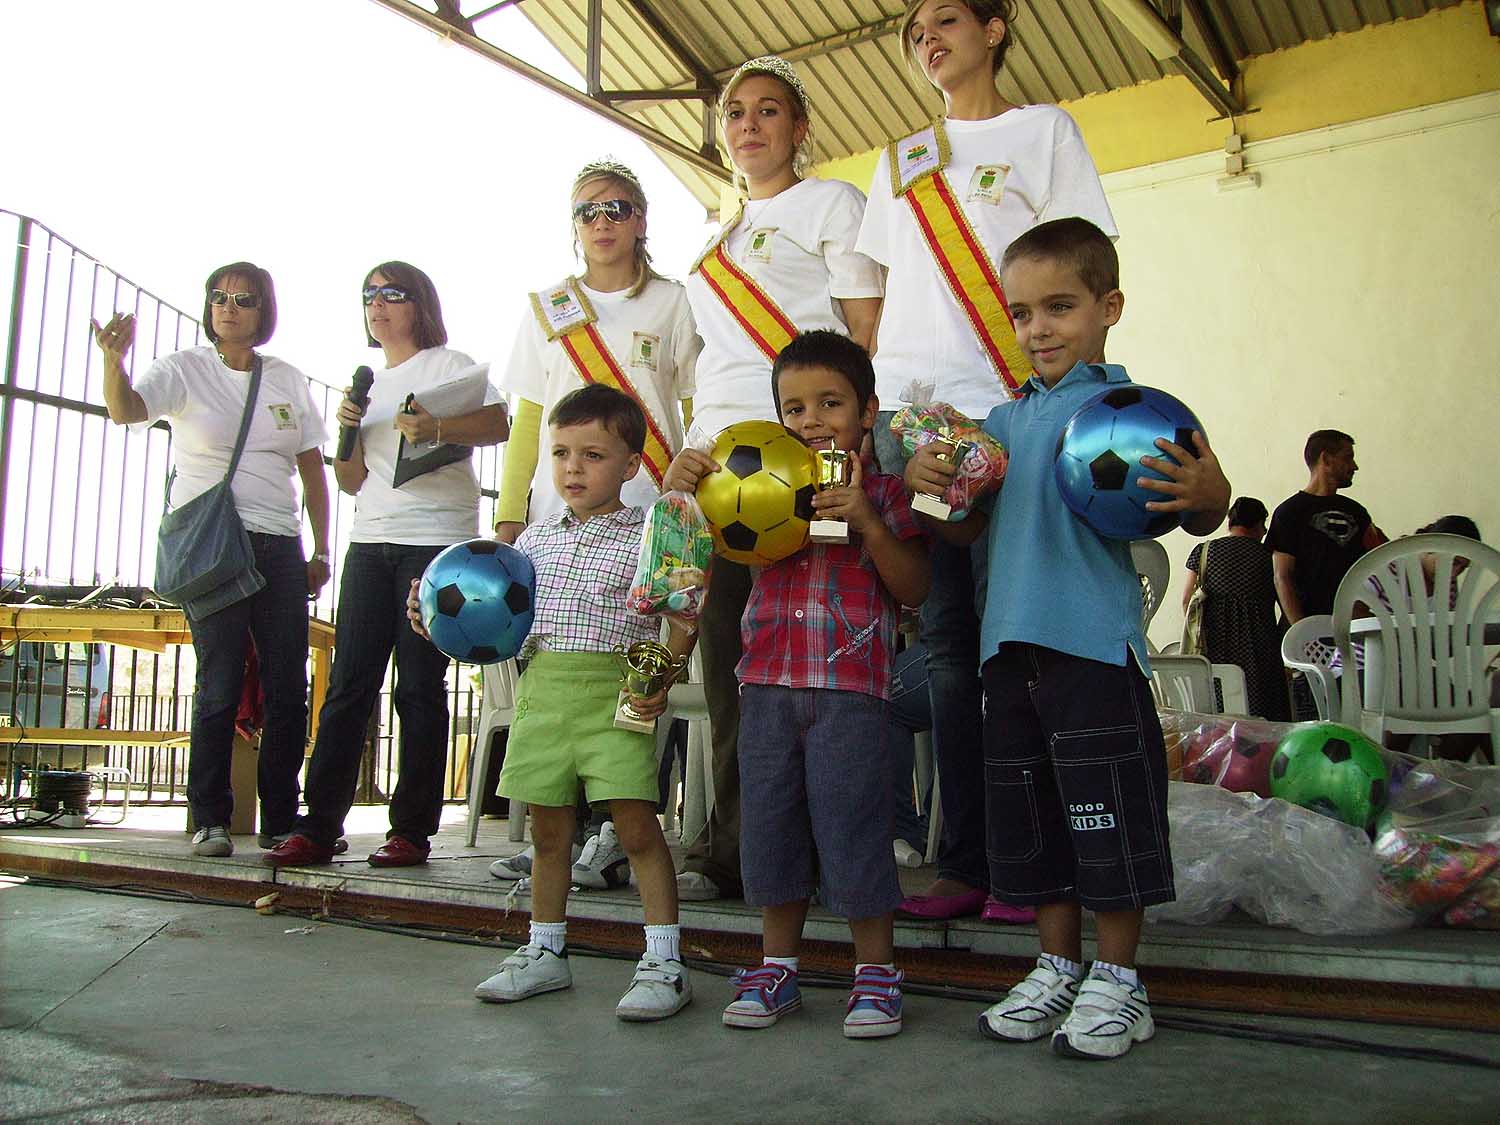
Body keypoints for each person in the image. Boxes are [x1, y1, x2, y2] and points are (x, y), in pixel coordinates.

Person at [906, 218, 1229, 1059]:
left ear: (1107, 307)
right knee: (1034, 820)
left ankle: (1121, 983)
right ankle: (1055, 966)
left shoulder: (1133, 412)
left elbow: (1201, 503)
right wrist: (932, 485)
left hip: (1091, 648)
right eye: (1021, 313)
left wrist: (1211, 487)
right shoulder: (998, 426)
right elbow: (960, 532)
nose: (1038, 328)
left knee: (1109, 816)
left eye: (1060, 306)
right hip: (1006, 651)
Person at [856, 0, 1117, 922]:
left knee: (1023, 645)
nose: (929, 38)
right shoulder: (899, 162)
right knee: (949, 647)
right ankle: (966, 859)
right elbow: (875, 296)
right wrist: (876, 420)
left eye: (947, 18)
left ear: (997, 28)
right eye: (915, 31)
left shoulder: (1043, 131)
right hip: (913, 424)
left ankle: (1034, 865)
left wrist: (1069, 404)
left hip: (1010, 411)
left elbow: (1081, 262)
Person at [663, 330, 929, 1039]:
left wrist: (869, 521)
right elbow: (681, 556)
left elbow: (917, 588)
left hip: (854, 693)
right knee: (771, 827)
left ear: (868, 411)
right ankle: (776, 965)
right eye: (794, 407)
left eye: (830, 403)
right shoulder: (745, 485)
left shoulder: (885, 494)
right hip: (768, 689)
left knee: (854, 828)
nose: (811, 420)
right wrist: (684, 489)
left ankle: (875, 974)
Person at [413, 385, 694, 1021]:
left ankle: (664, 960)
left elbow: (682, 615)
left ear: (630, 467)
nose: (573, 467)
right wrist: (437, 620)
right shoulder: (531, 544)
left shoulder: (651, 536)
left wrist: (664, 675)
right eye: (562, 452)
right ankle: (544, 951)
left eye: (593, 455)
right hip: (544, 695)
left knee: (637, 829)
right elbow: (497, 625)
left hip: (615, 697)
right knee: (547, 833)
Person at [679, 55, 884, 902]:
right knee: (735, 665)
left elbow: (868, 336)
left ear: (800, 129)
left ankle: (843, 856)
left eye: (769, 112)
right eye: (735, 113)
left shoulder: (833, 202)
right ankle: (738, 850)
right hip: (719, 469)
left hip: (802, 459)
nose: (749, 126)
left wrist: (855, 451)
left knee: (829, 673)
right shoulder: (712, 242)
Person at [488, 157, 700, 888]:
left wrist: (683, 493)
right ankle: (560, 824)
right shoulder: (547, 307)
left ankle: (620, 827)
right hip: (557, 522)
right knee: (556, 679)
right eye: (587, 211)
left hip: (643, 521)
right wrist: (511, 515)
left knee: (638, 676)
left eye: (616, 208)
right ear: (573, 227)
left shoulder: (675, 301)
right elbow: (526, 418)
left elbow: (696, 405)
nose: (602, 222)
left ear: (642, 220)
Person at [265, 263, 508, 869]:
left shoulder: (450, 364)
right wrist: (347, 432)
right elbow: (351, 481)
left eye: (392, 293)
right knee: (349, 684)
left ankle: (411, 830)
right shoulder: (367, 382)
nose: (378, 305)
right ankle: (319, 826)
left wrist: (435, 426)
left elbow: (500, 424)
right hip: (371, 543)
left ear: (419, 303)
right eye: (369, 295)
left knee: (420, 687)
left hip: (437, 543)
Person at [95, 263, 331, 857]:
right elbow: (125, 411)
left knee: (287, 687)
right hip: (213, 545)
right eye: (219, 297)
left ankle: (281, 817)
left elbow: (311, 469)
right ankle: (210, 818)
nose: (229, 307)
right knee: (219, 683)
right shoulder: (184, 369)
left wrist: (322, 547)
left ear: (263, 310)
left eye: (243, 299)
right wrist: (113, 361)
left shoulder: (286, 378)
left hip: (278, 542)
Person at [1181, 497, 1291, 720]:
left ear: (1230, 522)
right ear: (1258, 525)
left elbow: (1186, 600)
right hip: (1261, 647)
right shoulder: (1267, 556)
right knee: (1264, 717)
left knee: (1220, 714)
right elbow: (1285, 600)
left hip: (1215, 645)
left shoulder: (1204, 551)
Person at [1267, 429, 1385, 625]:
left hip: (1353, 629)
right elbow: (1282, 577)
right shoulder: (1289, 512)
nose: (1354, 466)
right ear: (1326, 459)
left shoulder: (1357, 512)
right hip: (1309, 629)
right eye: (1348, 458)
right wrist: (1302, 632)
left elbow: (1381, 562)